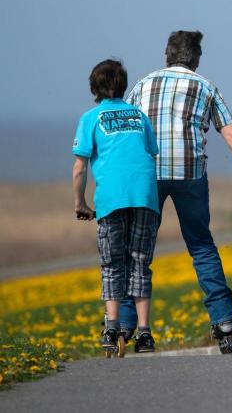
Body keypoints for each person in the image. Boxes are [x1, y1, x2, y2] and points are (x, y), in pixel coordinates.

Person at [122, 30, 232, 354]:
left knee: (138, 250)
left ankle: (128, 324)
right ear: (197, 59)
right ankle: (223, 321)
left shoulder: (142, 85)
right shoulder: (206, 87)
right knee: (201, 246)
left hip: (148, 173)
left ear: (167, 55)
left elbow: (126, 133)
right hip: (190, 173)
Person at [72, 59, 161, 354]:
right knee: (140, 263)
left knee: (112, 264)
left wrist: (80, 203)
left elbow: (80, 168)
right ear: (122, 85)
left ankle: (112, 327)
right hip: (145, 196)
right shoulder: (139, 116)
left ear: (94, 88)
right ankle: (144, 333)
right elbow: (150, 154)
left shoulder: (91, 118)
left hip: (111, 199)